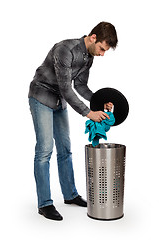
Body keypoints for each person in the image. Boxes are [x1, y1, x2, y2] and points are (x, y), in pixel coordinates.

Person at [28, 21, 118, 221]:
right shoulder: (64, 49)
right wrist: (88, 113)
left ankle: (70, 195)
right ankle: (45, 204)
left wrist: (100, 103)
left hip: (60, 100)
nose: (102, 54)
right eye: (102, 48)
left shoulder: (89, 57)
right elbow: (66, 88)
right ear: (93, 37)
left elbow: (80, 86)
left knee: (65, 148)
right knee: (44, 150)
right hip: (41, 95)